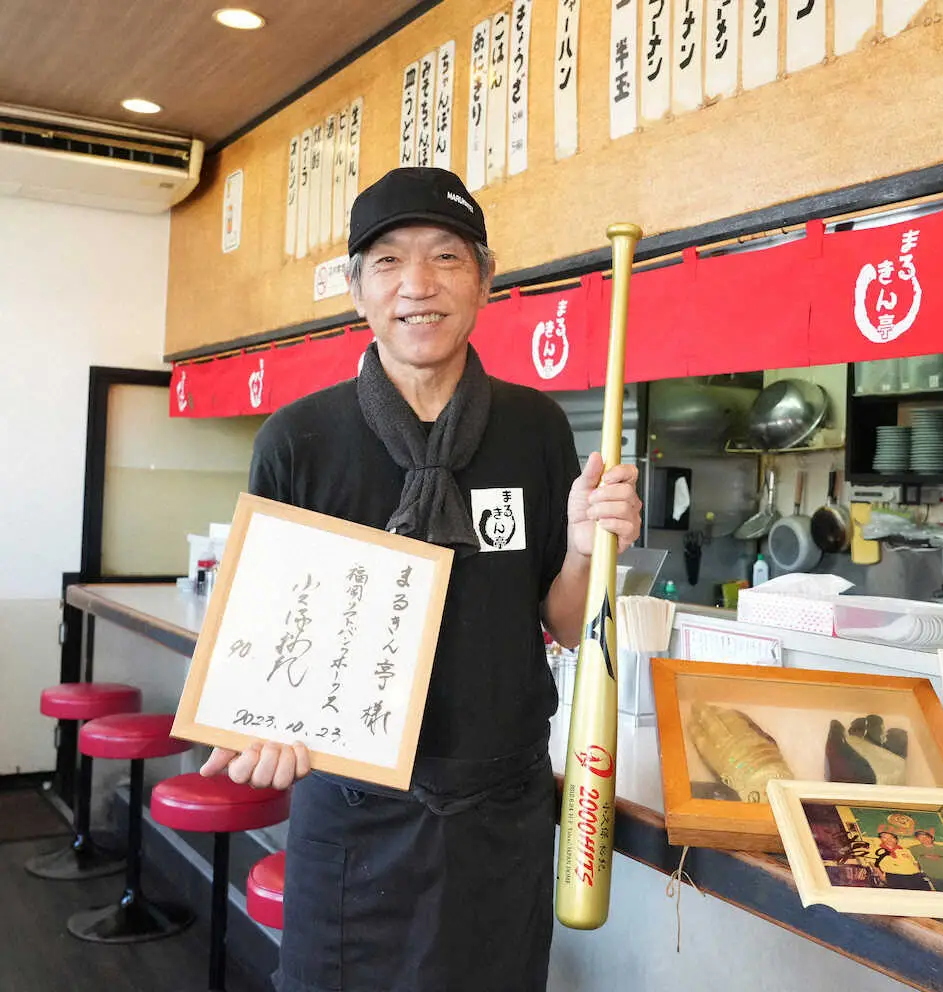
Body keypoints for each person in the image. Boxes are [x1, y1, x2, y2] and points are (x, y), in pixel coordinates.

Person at [198, 167, 643, 992]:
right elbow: (260, 647)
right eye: (390, 262)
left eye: (447, 257)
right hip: (353, 817)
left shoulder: (535, 429)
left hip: (502, 811)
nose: (419, 285)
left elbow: (567, 620)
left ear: (485, 280)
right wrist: (257, 723)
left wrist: (584, 547)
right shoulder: (301, 441)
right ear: (357, 291)